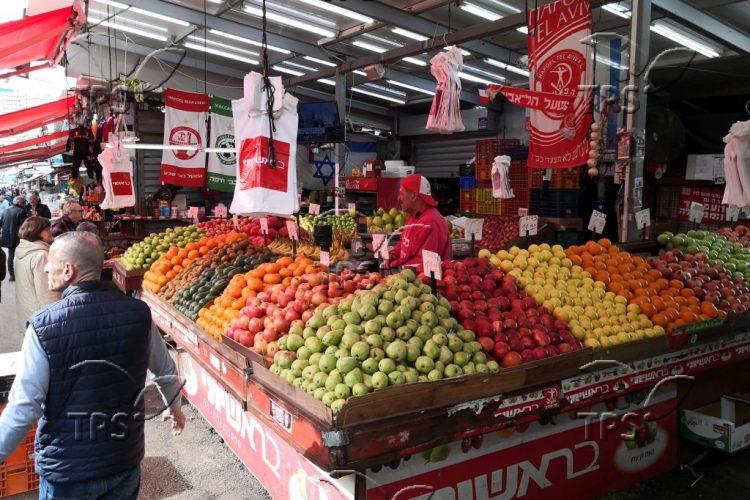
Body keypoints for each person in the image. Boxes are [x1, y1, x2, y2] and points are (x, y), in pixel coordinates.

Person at [0, 232, 185, 498]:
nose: (46, 268)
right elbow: (165, 369)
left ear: (68, 270)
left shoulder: (43, 326)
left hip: (69, 471)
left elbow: (24, 404)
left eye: (50, 262)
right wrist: (174, 407)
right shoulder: (138, 313)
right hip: (124, 461)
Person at [389, 174, 453, 270]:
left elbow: (421, 264)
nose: (399, 198)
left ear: (414, 196)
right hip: (409, 278)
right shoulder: (413, 217)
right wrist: (391, 256)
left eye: (402, 194)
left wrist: (393, 265)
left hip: (427, 282)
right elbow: (404, 244)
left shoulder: (431, 222)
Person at [14, 217, 61, 334]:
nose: (51, 231)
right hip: (41, 318)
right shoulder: (41, 255)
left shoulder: (22, 249)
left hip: (28, 312)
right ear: (37, 231)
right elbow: (48, 292)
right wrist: (56, 318)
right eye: (47, 229)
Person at [0, 195, 27, 281]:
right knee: (20, 255)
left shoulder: (5, 211)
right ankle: (19, 273)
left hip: (7, 237)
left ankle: (12, 274)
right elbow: (25, 226)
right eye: (23, 203)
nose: (24, 204)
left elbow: (1, 224)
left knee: (11, 255)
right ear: (19, 203)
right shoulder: (21, 211)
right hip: (17, 237)